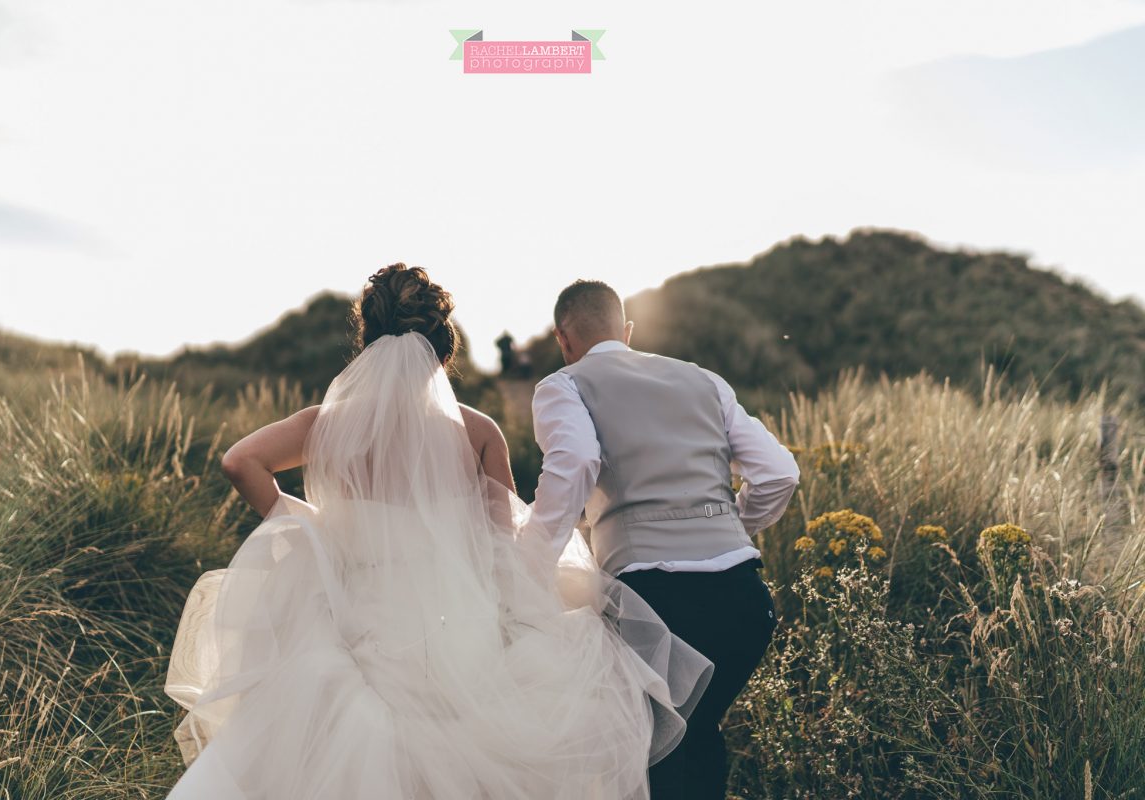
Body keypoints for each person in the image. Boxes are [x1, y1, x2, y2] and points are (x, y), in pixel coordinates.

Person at [162, 264, 713, 800]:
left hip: (358, 625)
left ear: (368, 342)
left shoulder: (326, 423)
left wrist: (312, 526)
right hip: (460, 630)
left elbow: (240, 462)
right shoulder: (477, 431)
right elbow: (502, 550)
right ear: (442, 350)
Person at [531, 279, 801, 800]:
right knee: (697, 734)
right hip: (745, 603)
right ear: (626, 331)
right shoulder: (704, 380)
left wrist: (530, 565)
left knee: (654, 748)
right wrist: (728, 526)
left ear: (563, 337)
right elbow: (778, 473)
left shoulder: (564, 385)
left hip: (657, 606)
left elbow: (577, 461)